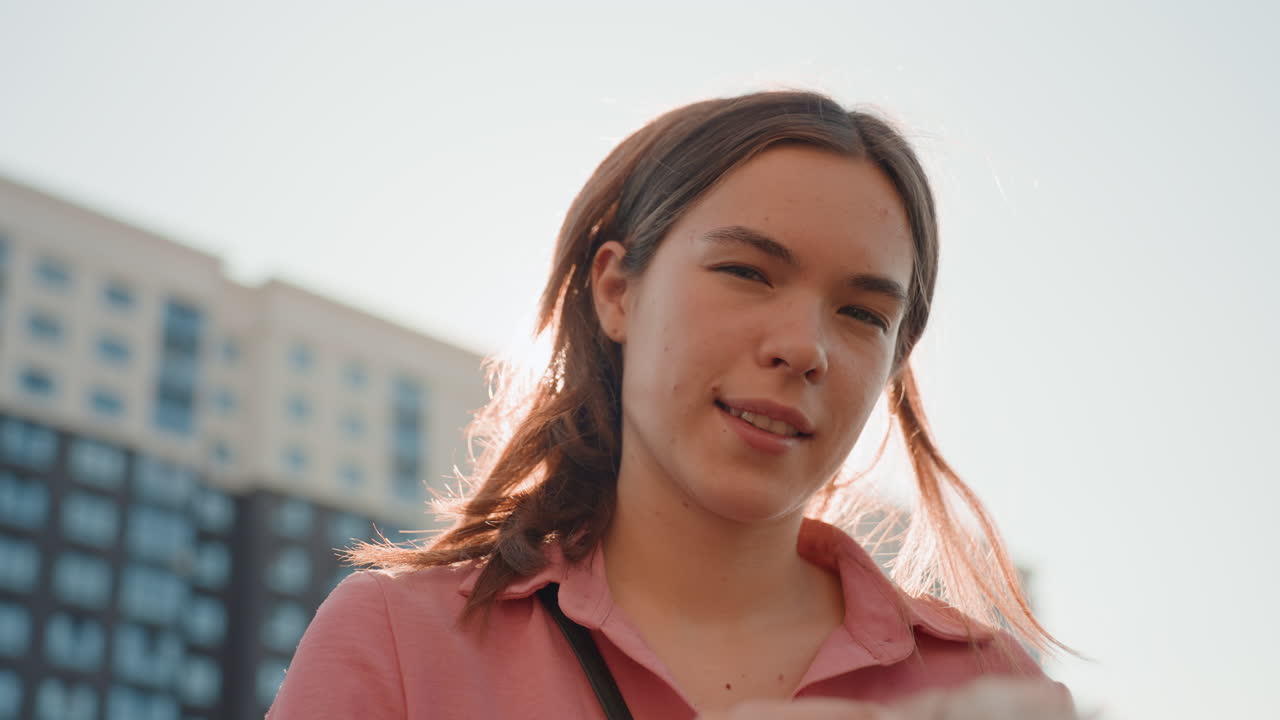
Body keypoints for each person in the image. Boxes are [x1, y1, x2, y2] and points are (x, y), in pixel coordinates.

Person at [266, 90, 1077, 719]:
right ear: (618, 289)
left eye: (863, 314)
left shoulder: (987, 685)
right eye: (747, 272)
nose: (804, 347)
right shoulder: (400, 643)